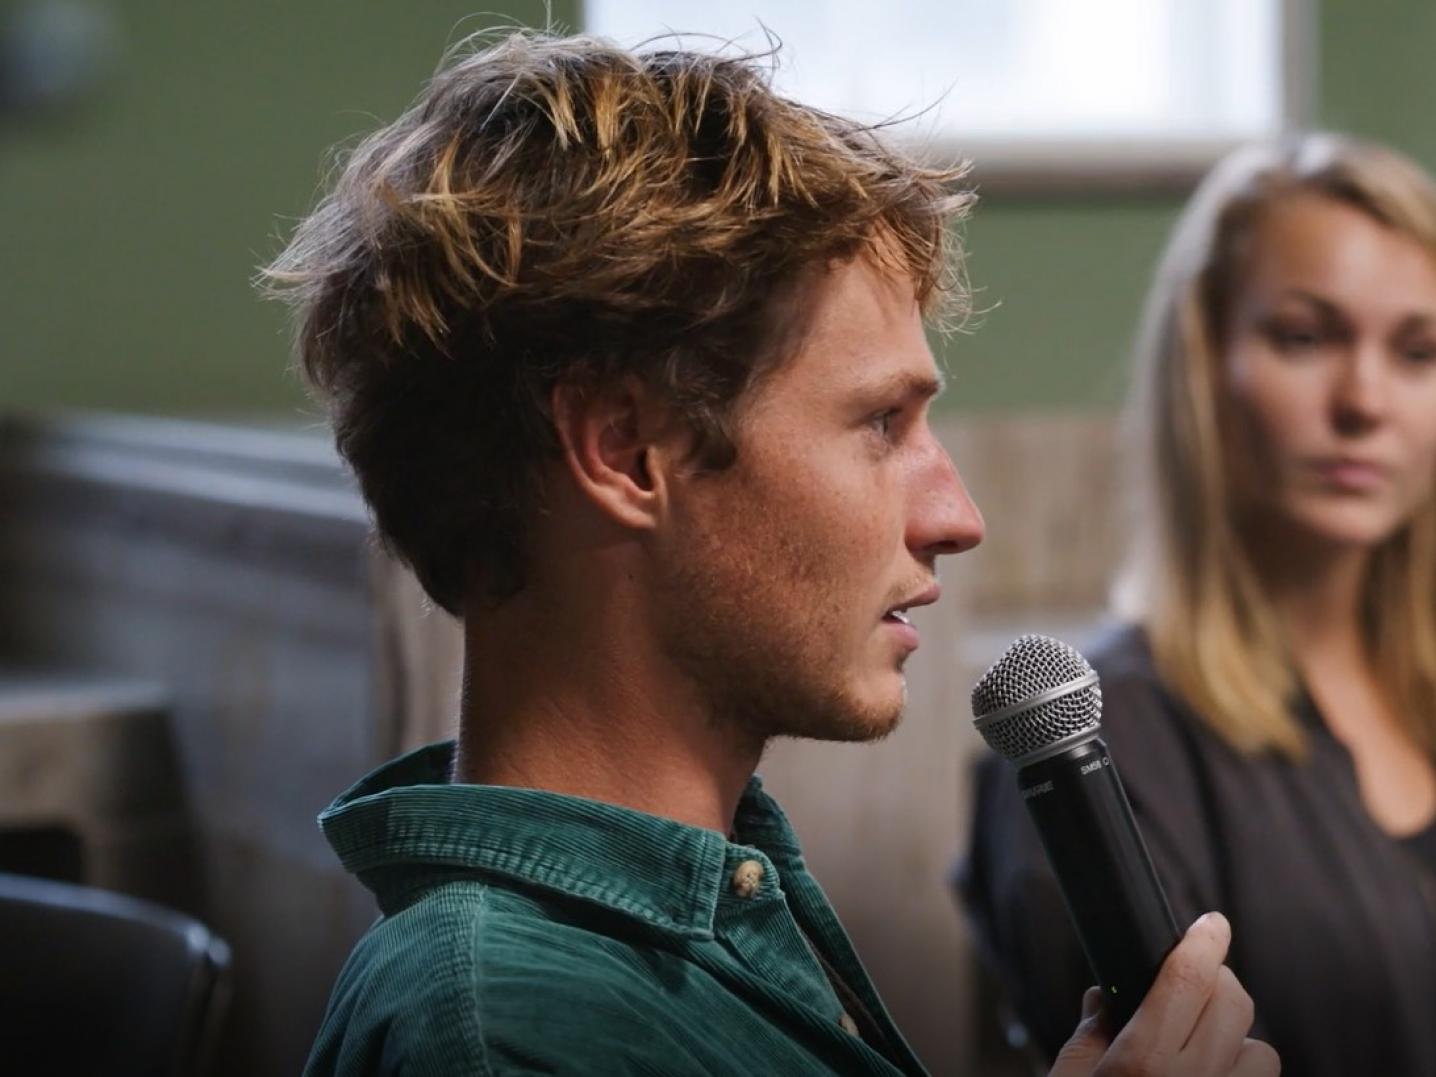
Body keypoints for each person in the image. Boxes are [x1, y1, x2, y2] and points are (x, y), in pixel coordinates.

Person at [265, 29, 1277, 1077]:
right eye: (880, 424)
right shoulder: (509, 1033)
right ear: (624, 452)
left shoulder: (720, 905)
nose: (956, 516)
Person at [962, 131, 1436, 1077]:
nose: (1365, 400)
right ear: (1203, 365)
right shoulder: (1104, 743)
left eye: (1419, 351)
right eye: (1305, 336)